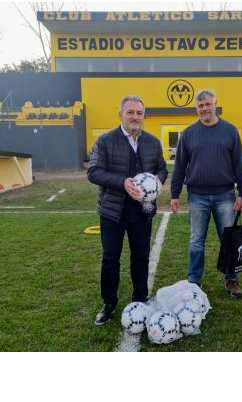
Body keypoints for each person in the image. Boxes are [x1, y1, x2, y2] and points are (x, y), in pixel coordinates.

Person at [87, 95, 168, 325]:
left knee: (141, 256)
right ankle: (109, 303)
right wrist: (122, 182)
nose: (135, 117)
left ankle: (140, 298)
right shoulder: (105, 141)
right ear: (120, 114)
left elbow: (162, 169)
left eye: (139, 113)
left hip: (142, 211)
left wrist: (157, 182)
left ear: (144, 115)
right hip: (112, 211)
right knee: (111, 258)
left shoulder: (152, 142)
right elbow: (94, 172)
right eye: (130, 112)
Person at [170, 89, 242, 297]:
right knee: (196, 240)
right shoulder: (188, 133)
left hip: (225, 195)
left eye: (208, 105)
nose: (204, 109)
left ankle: (231, 279)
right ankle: (194, 281)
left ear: (215, 105)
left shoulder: (230, 131)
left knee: (228, 239)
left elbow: (240, 164)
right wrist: (175, 194)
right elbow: (179, 166)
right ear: (197, 109)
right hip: (197, 196)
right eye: (200, 106)